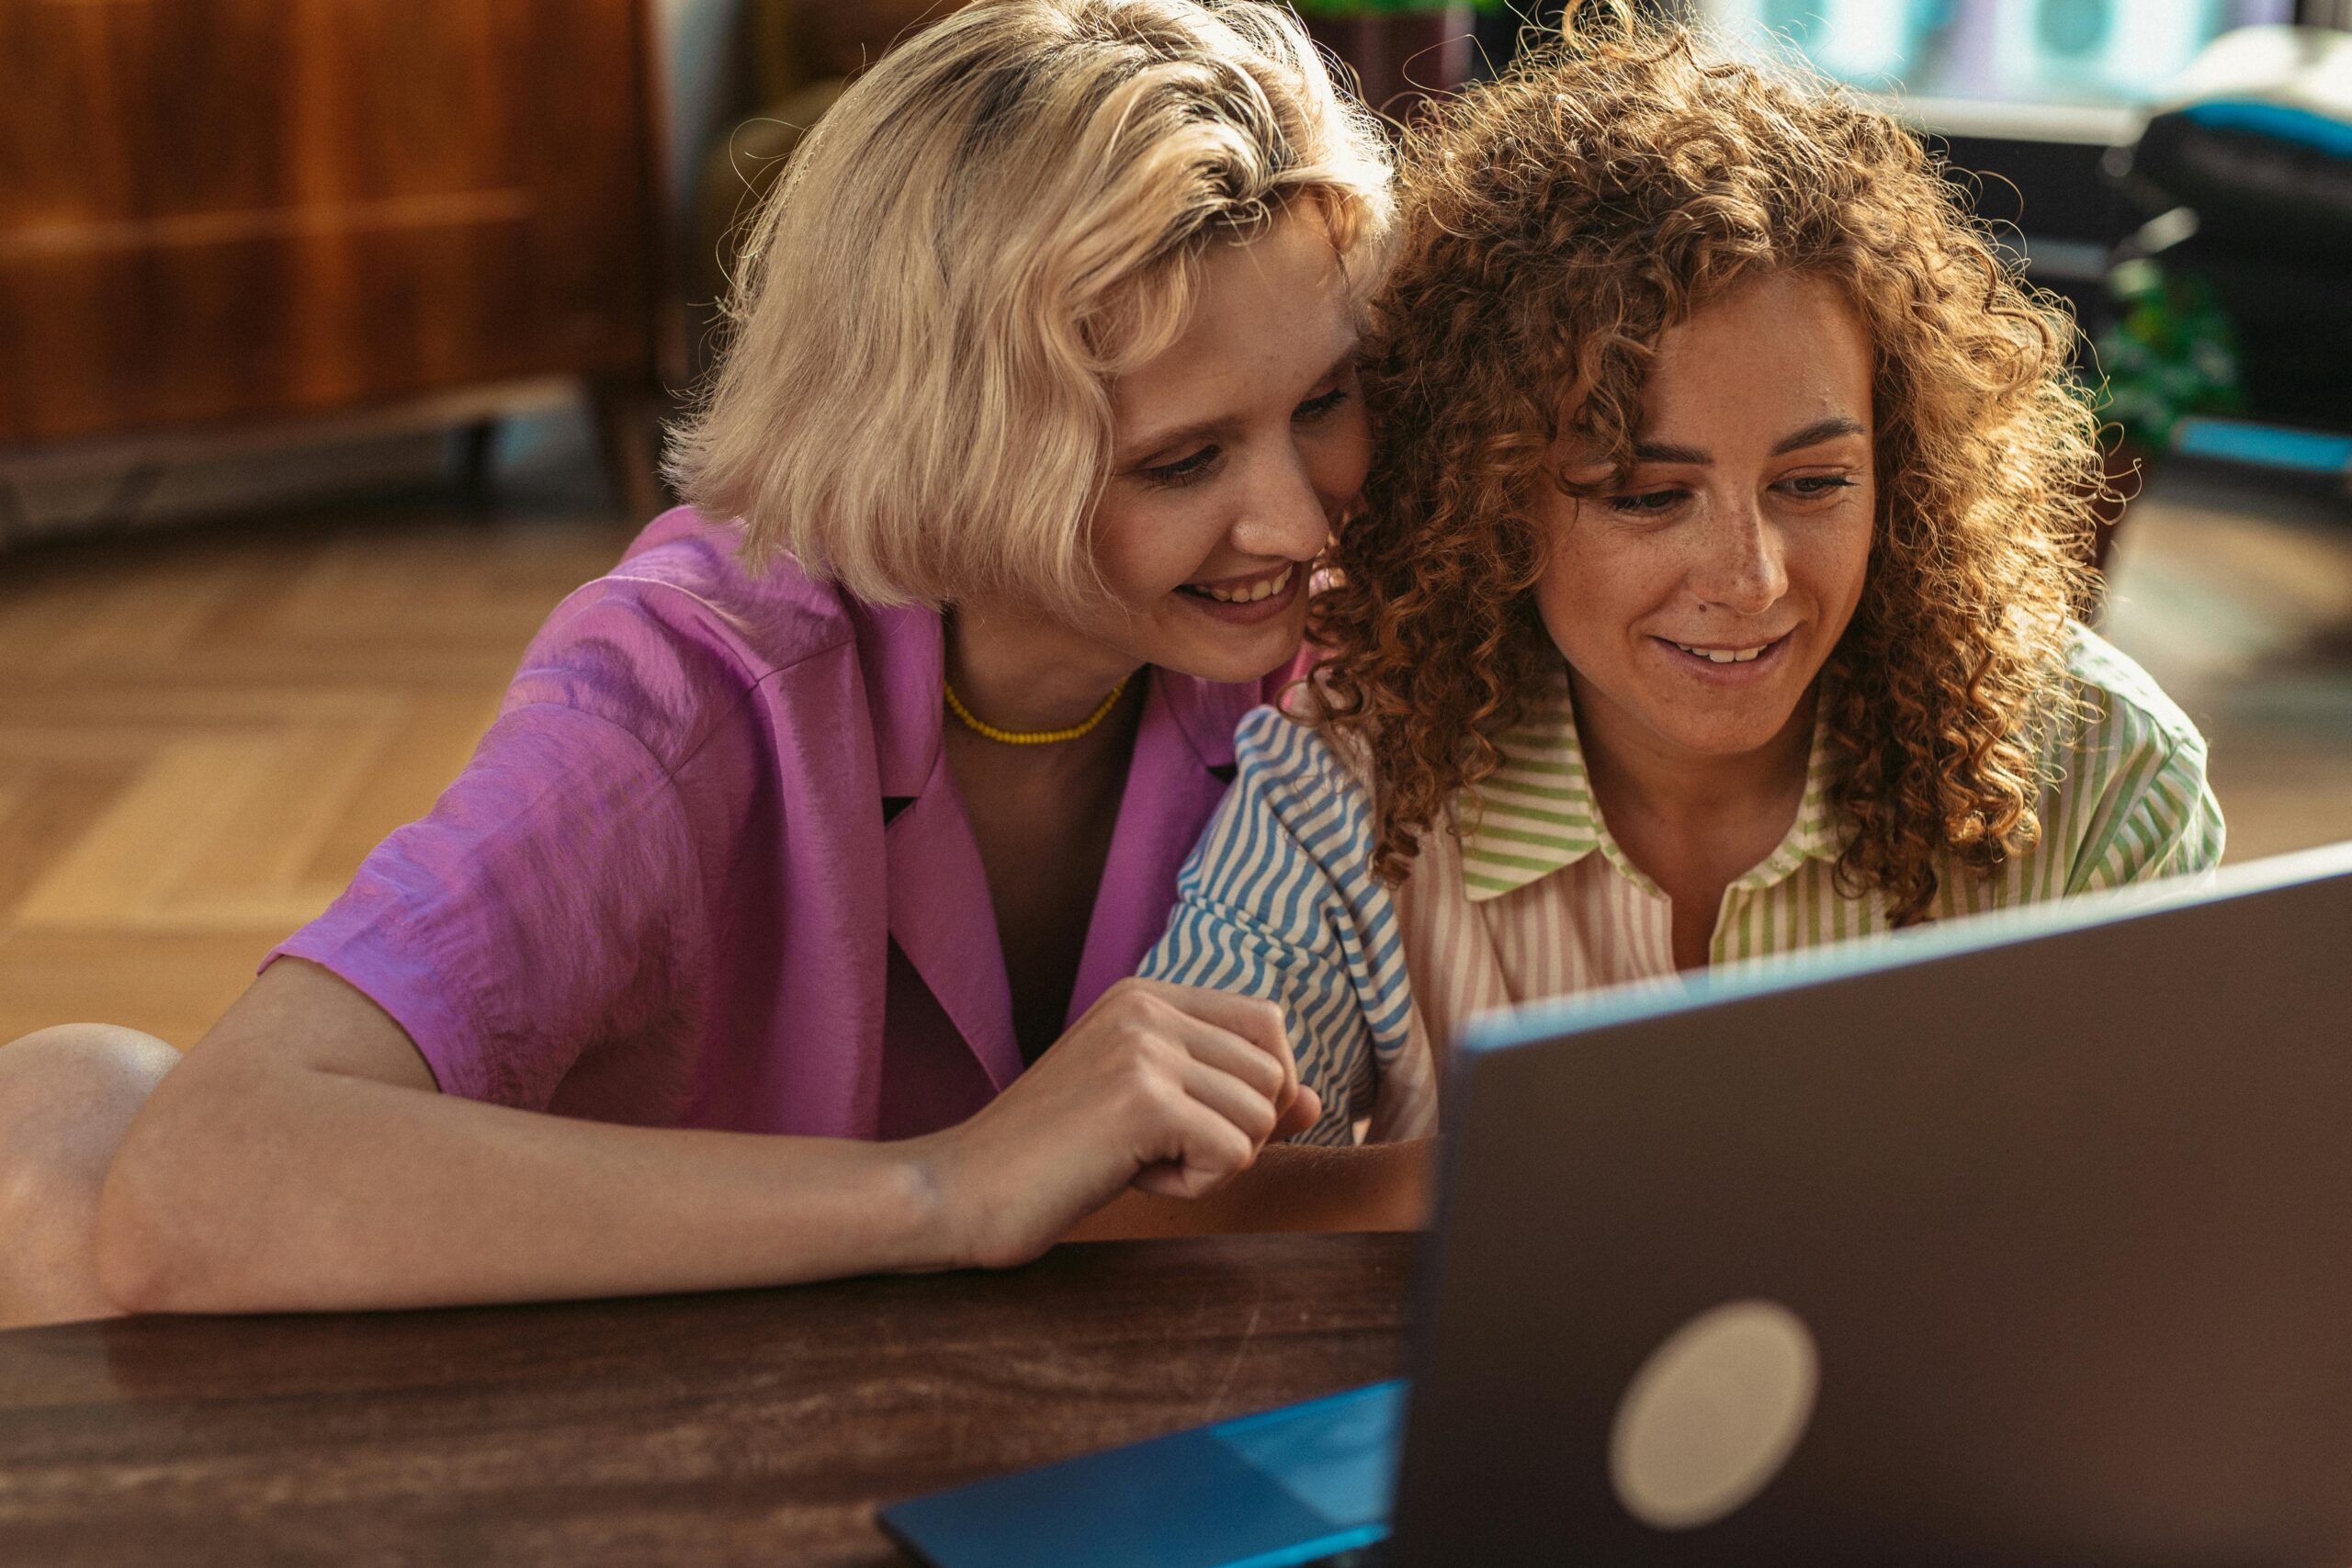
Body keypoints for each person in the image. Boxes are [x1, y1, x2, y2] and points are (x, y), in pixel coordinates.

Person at [0, 0, 1403, 1330]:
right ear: (957, 442)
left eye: (1324, 401)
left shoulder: (1336, 660)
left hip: (1081, 1386)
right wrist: (945, 1185)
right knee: (60, 1120)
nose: (1299, 521)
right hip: (654, 1371)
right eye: (1182, 459)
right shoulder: (684, 685)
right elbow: (205, 1174)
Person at [1141, 14, 2226, 1159]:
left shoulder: (2106, 773)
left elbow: (2188, 1223)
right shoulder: (1343, 787)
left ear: (1897, 473)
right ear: (1489, 495)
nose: (1753, 581)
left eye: (1812, 483)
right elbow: (1191, 1212)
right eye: (1647, 496)